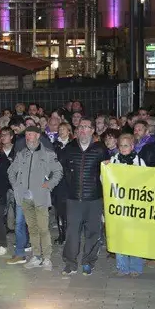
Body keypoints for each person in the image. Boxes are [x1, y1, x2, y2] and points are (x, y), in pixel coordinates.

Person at [59, 118, 110, 276]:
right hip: (74, 198)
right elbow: (64, 169)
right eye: (80, 127)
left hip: (94, 199)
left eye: (87, 127)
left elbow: (107, 173)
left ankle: (88, 262)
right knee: (72, 232)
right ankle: (70, 262)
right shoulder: (70, 148)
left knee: (93, 232)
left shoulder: (100, 149)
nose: (83, 130)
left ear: (92, 130)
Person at [8, 125, 62, 270]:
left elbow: (58, 172)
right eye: (26, 135)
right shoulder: (21, 154)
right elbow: (11, 171)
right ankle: (36, 256)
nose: (28, 137)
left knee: (43, 228)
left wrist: (48, 185)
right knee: (32, 228)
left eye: (31, 134)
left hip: (41, 197)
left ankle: (47, 258)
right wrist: (16, 187)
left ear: (38, 136)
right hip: (25, 198)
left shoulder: (48, 154)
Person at [109, 133, 147, 276]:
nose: (123, 148)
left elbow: (146, 180)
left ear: (132, 146)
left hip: (135, 204)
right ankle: (122, 266)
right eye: (121, 145)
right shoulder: (113, 160)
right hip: (119, 203)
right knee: (120, 235)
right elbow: (105, 179)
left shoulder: (139, 161)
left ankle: (136, 267)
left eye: (126, 145)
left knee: (135, 235)